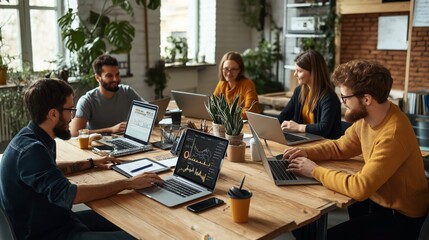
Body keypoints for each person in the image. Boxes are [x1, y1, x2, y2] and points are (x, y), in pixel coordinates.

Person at [0, 78, 163, 240]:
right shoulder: (32, 150)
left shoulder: (31, 136)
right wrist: (128, 183)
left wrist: (91, 163)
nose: (73, 117)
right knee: (142, 237)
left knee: (132, 221)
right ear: (53, 114)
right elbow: (70, 194)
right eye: (71, 109)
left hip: (55, 221)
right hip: (47, 234)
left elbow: (50, 169)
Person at [283, 60, 429, 240]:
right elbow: (340, 147)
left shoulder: (393, 133)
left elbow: (360, 187)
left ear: (366, 99)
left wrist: (314, 170)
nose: (343, 103)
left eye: (345, 97)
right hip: (380, 204)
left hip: (402, 219)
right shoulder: (367, 118)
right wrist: (307, 152)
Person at [69, 54, 144, 137]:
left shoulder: (127, 92)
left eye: (117, 74)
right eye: (109, 76)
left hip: (125, 141)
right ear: (98, 77)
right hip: (98, 146)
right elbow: (74, 132)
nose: (115, 79)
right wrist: (110, 130)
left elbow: (150, 113)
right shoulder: (87, 100)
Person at [278, 50, 342, 139]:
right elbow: (284, 116)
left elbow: (324, 128)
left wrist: (298, 127)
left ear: (313, 73)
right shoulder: (299, 91)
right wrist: (270, 126)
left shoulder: (329, 97)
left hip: (325, 146)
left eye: (299, 71)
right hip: (304, 140)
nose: (295, 74)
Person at [213, 51, 260, 119]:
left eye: (233, 69)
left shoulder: (247, 84)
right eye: (226, 68)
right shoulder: (222, 84)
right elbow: (213, 104)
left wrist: (225, 116)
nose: (229, 73)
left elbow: (250, 111)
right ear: (222, 68)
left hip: (248, 124)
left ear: (239, 70)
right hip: (226, 123)